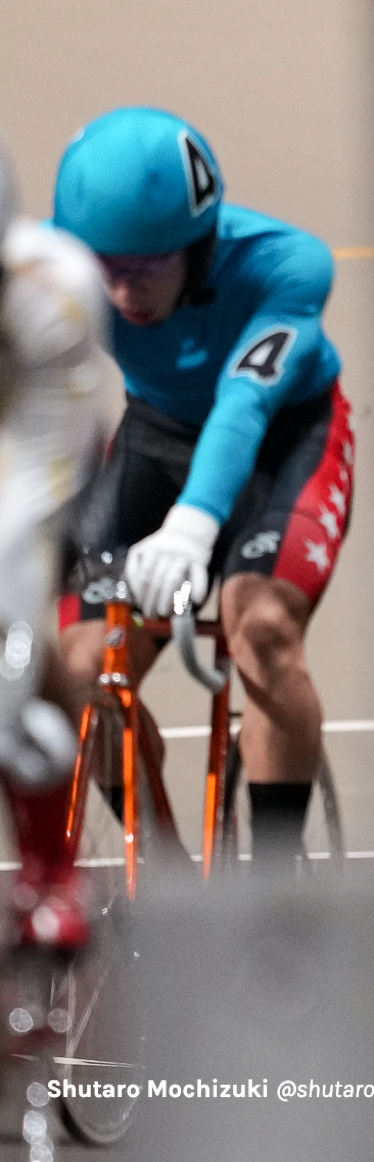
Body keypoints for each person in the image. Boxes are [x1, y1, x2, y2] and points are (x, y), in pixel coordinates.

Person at [51, 107, 354, 875]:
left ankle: (276, 886)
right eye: (104, 266)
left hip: (285, 442)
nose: (120, 291)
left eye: (144, 267)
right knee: (83, 667)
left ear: (198, 244)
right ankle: (167, 878)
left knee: (261, 630)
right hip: (155, 437)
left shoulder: (287, 266)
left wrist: (192, 528)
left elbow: (244, 405)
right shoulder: (60, 271)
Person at [0, 138, 109, 953]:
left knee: (19, 638)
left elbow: (31, 499)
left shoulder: (57, 292)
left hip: (48, 463)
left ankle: (54, 868)